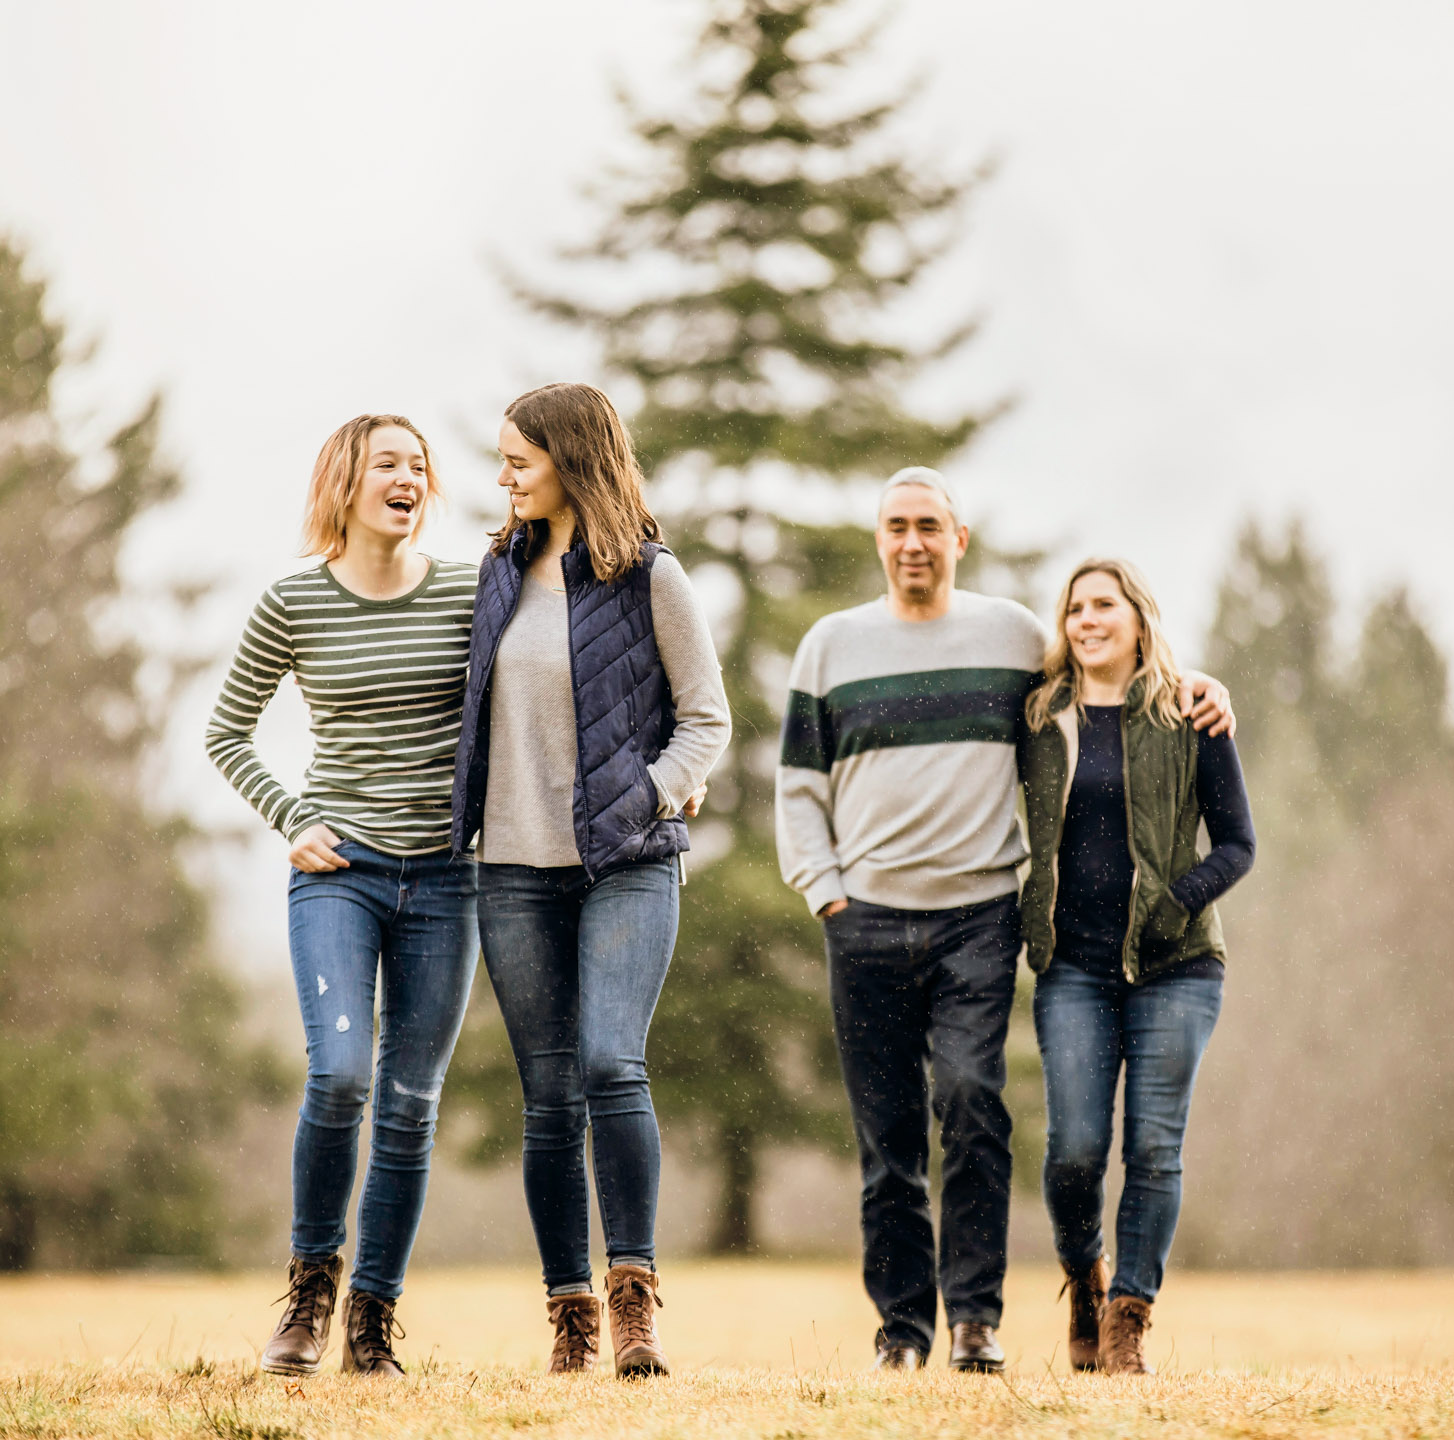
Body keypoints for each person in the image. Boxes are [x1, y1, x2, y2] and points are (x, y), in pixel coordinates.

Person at [774, 469, 1233, 1373]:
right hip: (862, 918)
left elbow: (1110, 679)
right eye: (897, 526)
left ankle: (975, 1322)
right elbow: (799, 787)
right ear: (879, 539)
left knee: (973, 1109)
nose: (913, 542)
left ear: (959, 538)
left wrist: (1201, 687)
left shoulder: (1015, 636)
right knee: (888, 1137)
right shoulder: (829, 647)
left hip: (977, 920)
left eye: (930, 527)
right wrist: (824, 888)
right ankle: (901, 1330)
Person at [450, 382, 730, 1378]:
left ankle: (634, 1298)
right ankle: (568, 1311)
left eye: (517, 460)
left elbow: (708, 718)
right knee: (549, 1094)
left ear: (571, 459)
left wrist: (650, 795)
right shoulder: (496, 573)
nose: (502, 478)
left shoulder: (652, 577)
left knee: (613, 1063)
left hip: (627, 865)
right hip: (515, 872)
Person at [206, 414, 479, 1379]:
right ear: (345, 487)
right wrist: (291, 816)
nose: (408, 478)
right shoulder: (294, 599)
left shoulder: (464, 592)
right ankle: (310, 1291)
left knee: (409, 1103)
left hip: (450, 879)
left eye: (418, 466)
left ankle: (373, 1321)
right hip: (341, 875)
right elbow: (226, 731)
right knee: (342, 1076)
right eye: (387, 465)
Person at [1020, 557, 1256, 1375]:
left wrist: (1175, 902)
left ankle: (1128, 1320)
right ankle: (1084, 1280)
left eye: (1104, 607)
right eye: (1075, 608)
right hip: (1072, 968)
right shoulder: (1039, 716)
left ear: (1138, 619)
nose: (1087, 620)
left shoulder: (1189, 712)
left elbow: (1237, 846)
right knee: (1076, 1148)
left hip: (1179, 967)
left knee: (1154, 1149)